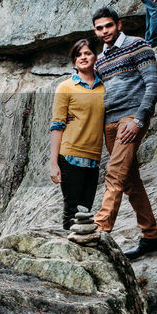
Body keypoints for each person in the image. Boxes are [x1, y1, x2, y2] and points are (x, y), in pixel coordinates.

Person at [91, 6, 157, 257]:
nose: (104, 32)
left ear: (118, 25)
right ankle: (151, 236)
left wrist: (139, 120)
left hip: (131, 118)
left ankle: (99, 229)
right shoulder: (99, 60)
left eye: (108, 26)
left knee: (114, 172)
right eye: (99, 28)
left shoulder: (138, 45)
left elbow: (153, 86)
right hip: (109, 123)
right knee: (130, 181)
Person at [48, 39, 105, 231]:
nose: (83, 57)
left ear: (95, 56)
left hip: (94, 158)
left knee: (86, 211)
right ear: (74, 61)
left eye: (87, 53)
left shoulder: (104, 87)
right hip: (70, 156)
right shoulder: (65, 87)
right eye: (79, 55)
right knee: (71, 212)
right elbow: (57, 125)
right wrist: (54, 163)